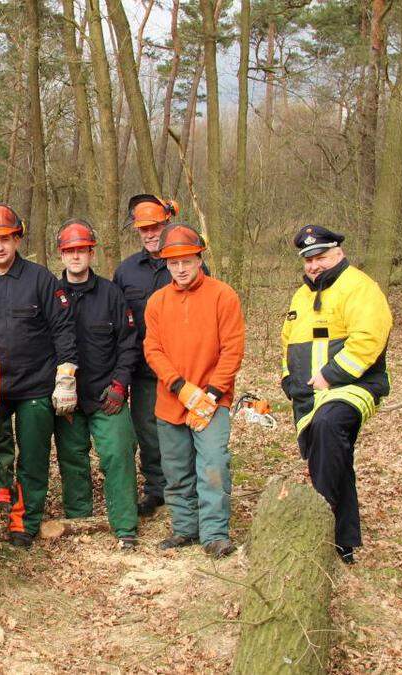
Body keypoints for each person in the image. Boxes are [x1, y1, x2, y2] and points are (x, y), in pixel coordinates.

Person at [0, 204, 78, 547]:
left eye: (5, 239)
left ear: (17, 239)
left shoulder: (41, 279)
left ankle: (24, 521)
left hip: (35, 386)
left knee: (34, 455)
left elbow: (63, 330)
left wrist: (66, 374)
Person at [280, 225, 392, 565]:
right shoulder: (300, 296)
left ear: (338, 253)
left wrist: (331, 375)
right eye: (308, 259)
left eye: (321, 256)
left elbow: (369, 338)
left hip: (352, 388)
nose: (314, 265)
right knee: (330, 457)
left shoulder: (359, 286)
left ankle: (318, 525)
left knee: (329, 432)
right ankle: (343, 541)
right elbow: (289, 343)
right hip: (309, 396)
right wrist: (288, 377)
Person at [143, 226, 244, 559]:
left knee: (213, 464)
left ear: (199, 258)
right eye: (174, 263)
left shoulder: (222, 295)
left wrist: (211, 395)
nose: (181, 269)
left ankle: (214, 533)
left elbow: (233, 349)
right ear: (166, 265)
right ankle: (185, 527)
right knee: (175, 470)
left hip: (212, 401)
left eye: (187, 261)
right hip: (171, 400)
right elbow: (153, 349)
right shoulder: (157, 301)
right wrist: (179, 387)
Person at [52, 220, 140, 549]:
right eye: (69, 251)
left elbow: (128, 344)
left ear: (92, 252)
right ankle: (79, 521)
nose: (76, 256)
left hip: (107, 394)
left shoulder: (111, 294)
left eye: (82, 250)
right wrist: (59, 387)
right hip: (68, 397)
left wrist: (120, 384)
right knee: (72, 459)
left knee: (118, 454)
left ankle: (125, 526)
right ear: (61, 254)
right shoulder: (52, 294)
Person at [112, 194, 182, 518]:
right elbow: (116, 321)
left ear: (166, 224)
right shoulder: (126, 272)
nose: (151, 234)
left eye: (155, 227)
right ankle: (156, 488)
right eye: (145, 230)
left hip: (182, 366)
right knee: (148, 431)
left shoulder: (185, 261)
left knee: (181, 430)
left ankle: (184, 488)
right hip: (142, 369)